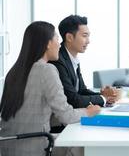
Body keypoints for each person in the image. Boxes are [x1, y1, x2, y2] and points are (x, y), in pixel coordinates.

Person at [0, 21, 101, 156]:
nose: (59, 45)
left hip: (8, 147)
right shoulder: (46, 70)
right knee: (82, 146)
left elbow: (31, 112)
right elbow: (66, 116)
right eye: (57, 39)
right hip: (36, 146)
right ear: (48, 44)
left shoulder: (14, 71)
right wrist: (88, 112)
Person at [50, 15, 117, 109]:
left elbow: (81, 91)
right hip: (61, 121)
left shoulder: (72, 58)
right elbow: (72, 100)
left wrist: (104, 96)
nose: (88, 41)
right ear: (69, 37)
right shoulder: (58, 61)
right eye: (84, 36)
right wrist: (103, 98)